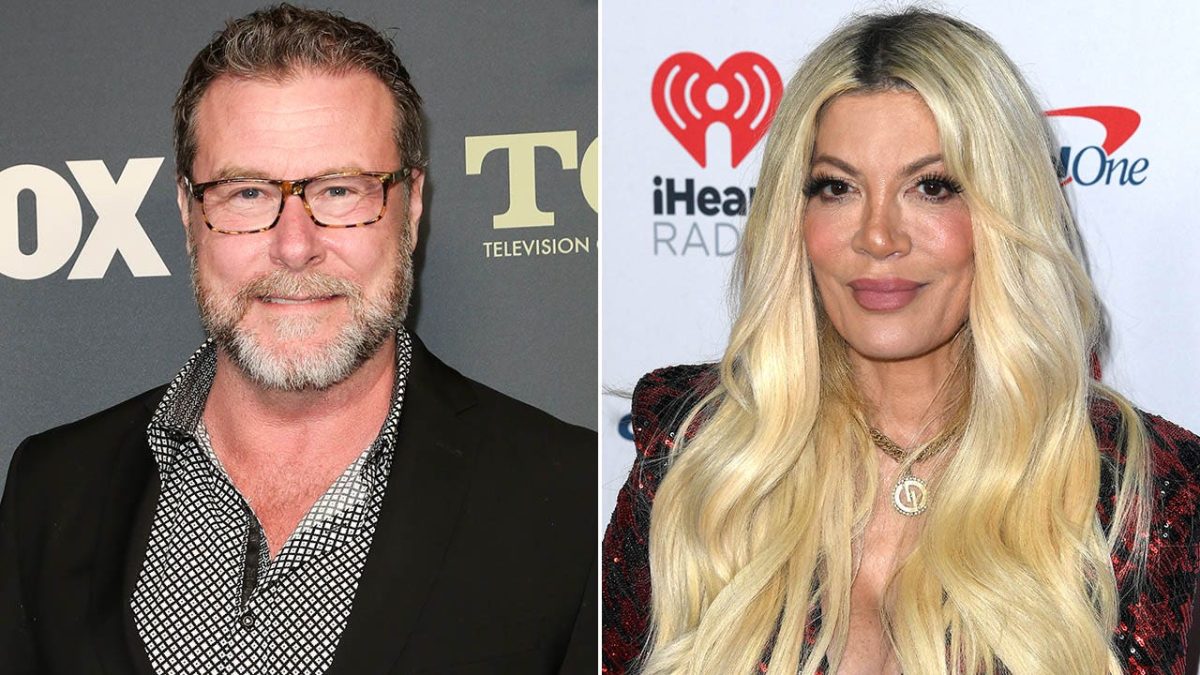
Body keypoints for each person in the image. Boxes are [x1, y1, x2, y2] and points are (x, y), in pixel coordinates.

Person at [603, 9, 1200, 675]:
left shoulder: (1138, 489)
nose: (878, 236)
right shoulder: (695, 453)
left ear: (1002, 211)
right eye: (837, 188)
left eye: (931, 187)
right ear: (793, 217)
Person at [0, 5, 594, 674]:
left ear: (412, 205)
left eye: (339, 190)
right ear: (189, 213)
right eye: (247, 193)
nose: (294, 246)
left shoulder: (571, 498)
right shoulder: (52, 489)